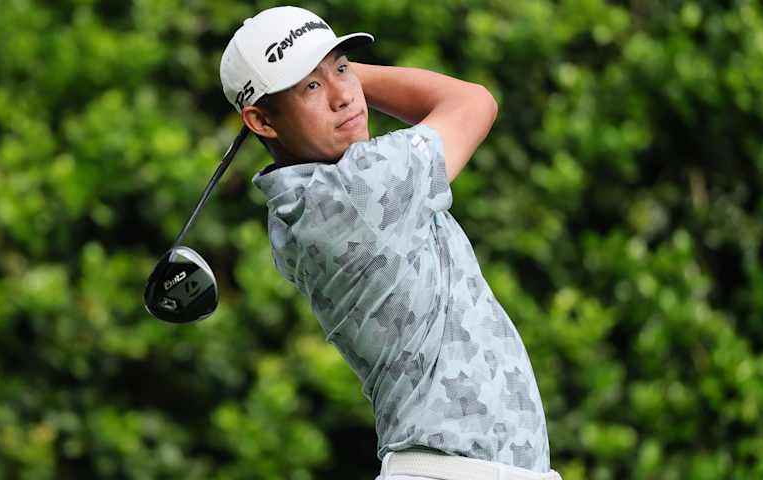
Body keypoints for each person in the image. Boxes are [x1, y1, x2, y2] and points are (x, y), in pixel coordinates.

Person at [220, 6, 561, 480]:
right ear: (261, 121)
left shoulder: (297, 205)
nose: (344, 96)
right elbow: (473, 101)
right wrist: (349, 72)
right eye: (311, 88)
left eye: (343, 68)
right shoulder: (362, 187)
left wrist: (316, 71)